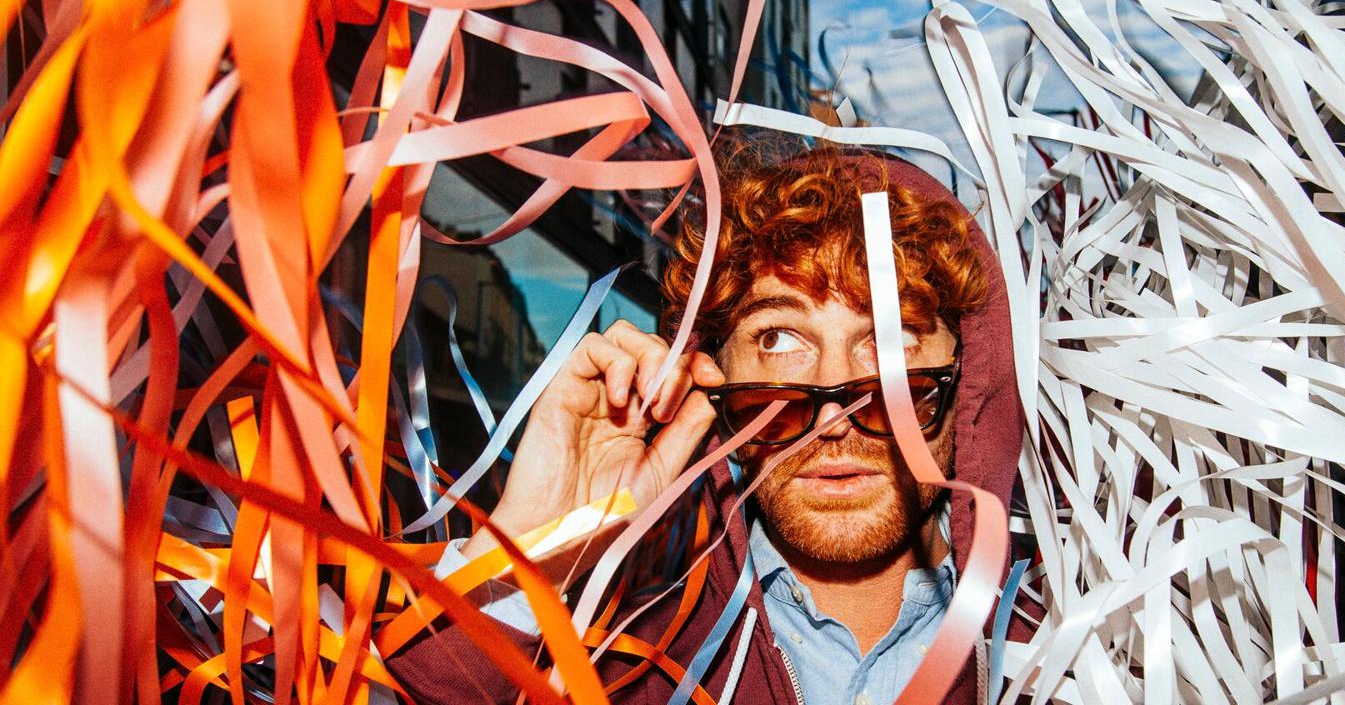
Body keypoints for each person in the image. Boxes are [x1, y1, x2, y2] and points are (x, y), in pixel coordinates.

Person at [389, 145, 1025, 704]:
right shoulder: (622, 671)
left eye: (894, 343)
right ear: (713, 376)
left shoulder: (1066, 660)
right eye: (779, 338)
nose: (835, 416)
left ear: (970, 383)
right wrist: (522, 568)